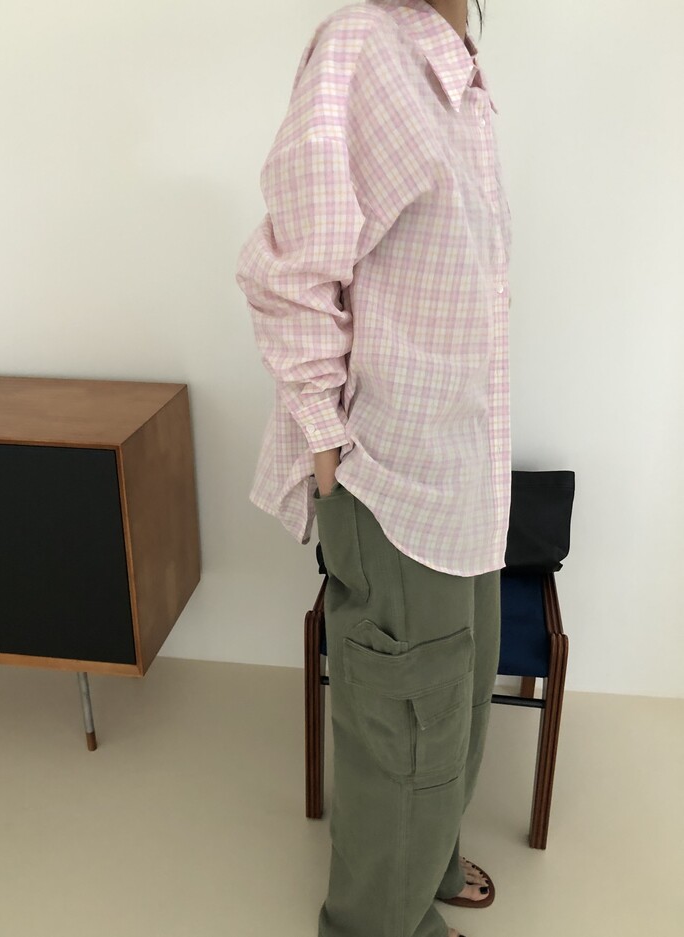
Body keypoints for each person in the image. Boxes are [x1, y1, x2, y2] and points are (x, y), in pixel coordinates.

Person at [235, 1, 511, 935]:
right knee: (404, 725)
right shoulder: (364, 48)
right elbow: (289, 273)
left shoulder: (460, 74)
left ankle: (426, 860)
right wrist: (326, 445)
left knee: (457, 703)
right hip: (392, 473)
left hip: (465, 471)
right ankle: (374, 923)